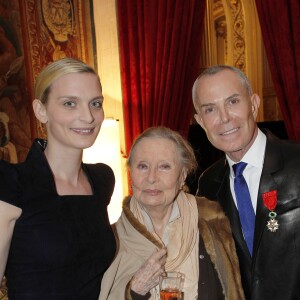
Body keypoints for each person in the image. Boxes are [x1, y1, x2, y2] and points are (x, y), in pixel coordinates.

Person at [0, 57, 116, 299]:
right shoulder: (12, 184)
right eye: (70, 103)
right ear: (41, 110)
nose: (88, 116)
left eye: (95, 103)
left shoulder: (102, 180)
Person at [192, 65, 300, 300]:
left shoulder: (297, 164)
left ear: (253, 103)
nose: (224, 118)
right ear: (200, 121)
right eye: (210, 109)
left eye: (233, 102)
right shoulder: (208, 185)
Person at [100, 126, 245, 300]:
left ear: (182, 175)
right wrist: (135, 290)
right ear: (131, 173)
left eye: (164, 166)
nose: (152, 178)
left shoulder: (212, 224)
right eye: (143, 166)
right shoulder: (110, 240)